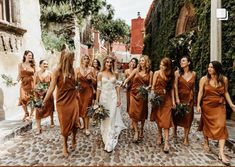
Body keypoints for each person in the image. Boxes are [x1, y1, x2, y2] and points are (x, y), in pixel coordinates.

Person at [197, 61, 235, 165]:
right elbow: (200, 92)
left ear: (217, 69)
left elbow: (226, 92)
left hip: (219, 106)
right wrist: (198, 105)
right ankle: (206, 142)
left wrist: (231, 104)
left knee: (221, 126)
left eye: (211, 67)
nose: (209, 69)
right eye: (208, 67)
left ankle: (221, 153)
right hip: (207, 106)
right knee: (206, 124)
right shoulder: (203, 79)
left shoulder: (224, 79)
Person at [43, 51, 80, 157]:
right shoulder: (57, 70)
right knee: (64, 124)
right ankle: (64, 146)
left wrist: (78, 90)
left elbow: (75, 84)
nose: (73, 60)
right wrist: (44, 101)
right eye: (72, 59)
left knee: (75, 121)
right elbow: (52, 87)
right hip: (62, 102)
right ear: (66, 59)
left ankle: (73, 138)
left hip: (73, 99)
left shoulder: (72, 70)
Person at [95, 56, 126, 153]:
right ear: (104, 63)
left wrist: (119, 98)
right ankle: (105, 135)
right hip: (103, 98)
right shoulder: (100, 74)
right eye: (107, 62)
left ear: (112, 64)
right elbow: (99, 88)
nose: (109, 64)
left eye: (110, 62)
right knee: (105, 118)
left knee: (112, 118)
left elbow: (117, 86)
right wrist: (96, 101)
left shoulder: (115, 74)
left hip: (113, 98)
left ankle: (109, 142)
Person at [122, 55, 153, 142]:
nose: (140, 62)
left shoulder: (150, 73)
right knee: (133, 112)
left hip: (143, 95)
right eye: (140, 61)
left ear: (146, 62)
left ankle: (142, 129)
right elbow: (128, 78)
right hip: (133, 93)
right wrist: (124, 83)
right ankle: (136, 131)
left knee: (142, 113)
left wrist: (146, 89)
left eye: (143, 61)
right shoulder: (136, 70)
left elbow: (150, 85)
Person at [150, 57, 175, 153]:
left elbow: (172, 89)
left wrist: (173, 101)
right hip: (158, 99)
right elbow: (152, 87)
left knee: (166, 120)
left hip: (167, 99)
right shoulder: (156, 73)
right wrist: (152, 97)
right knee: (159, 118)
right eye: (160, 64)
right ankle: (159, 135)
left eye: (163, 65)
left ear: (167, 66)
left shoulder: (171, 75)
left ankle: (167, 143)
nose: (161, 66)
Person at [173, 56, 196, 146]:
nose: (181, 62)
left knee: (188, 117)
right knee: (176, 116)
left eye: (183, 61)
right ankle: (174, 131)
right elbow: (175, 86)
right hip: (180, 96)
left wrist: (194, 99)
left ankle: (186, 137)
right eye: (181, 61)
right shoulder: (177, 73)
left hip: (189, 98)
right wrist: (177, 98)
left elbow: (194, 87)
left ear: (189, 63)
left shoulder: (194, 73)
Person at [76, 55, 96, 135]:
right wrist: (77, 86)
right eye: (85, 59)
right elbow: (74, 81)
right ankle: (84, 124)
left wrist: (91, 78)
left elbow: (95, 82)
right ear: (82, 60)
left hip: (88, 90)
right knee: (81, 108)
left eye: (88, 59)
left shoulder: (92, 69)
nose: (86, 60)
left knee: (87, 108)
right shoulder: (77, 69)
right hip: (80, 91)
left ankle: (87, 128)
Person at [34, 60, 55, 134]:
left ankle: (52, 120)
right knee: (38, 110)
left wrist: (47, 90)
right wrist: (37, 90)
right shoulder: (36, 73)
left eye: (47, 64)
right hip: (39, 94)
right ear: (40, 65)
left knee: (50, 108)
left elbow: (53, 85)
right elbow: (34, 85)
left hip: (48, 94)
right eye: (44, 64)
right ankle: (38, 128)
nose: (46, 65)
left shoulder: (50, 73)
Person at [18, 50, 35, 122]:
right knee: (22, 98)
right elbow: (19, 74)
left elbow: (35, 74)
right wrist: (14, 81)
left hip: (31, 83)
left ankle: (32, 114)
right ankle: (26, 113)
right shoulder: (20, 64)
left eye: (31, 55)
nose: (30, 57)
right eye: (29, 55)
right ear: (25, 56)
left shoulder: (33, 65)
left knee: (32, 99)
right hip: (23, 84)